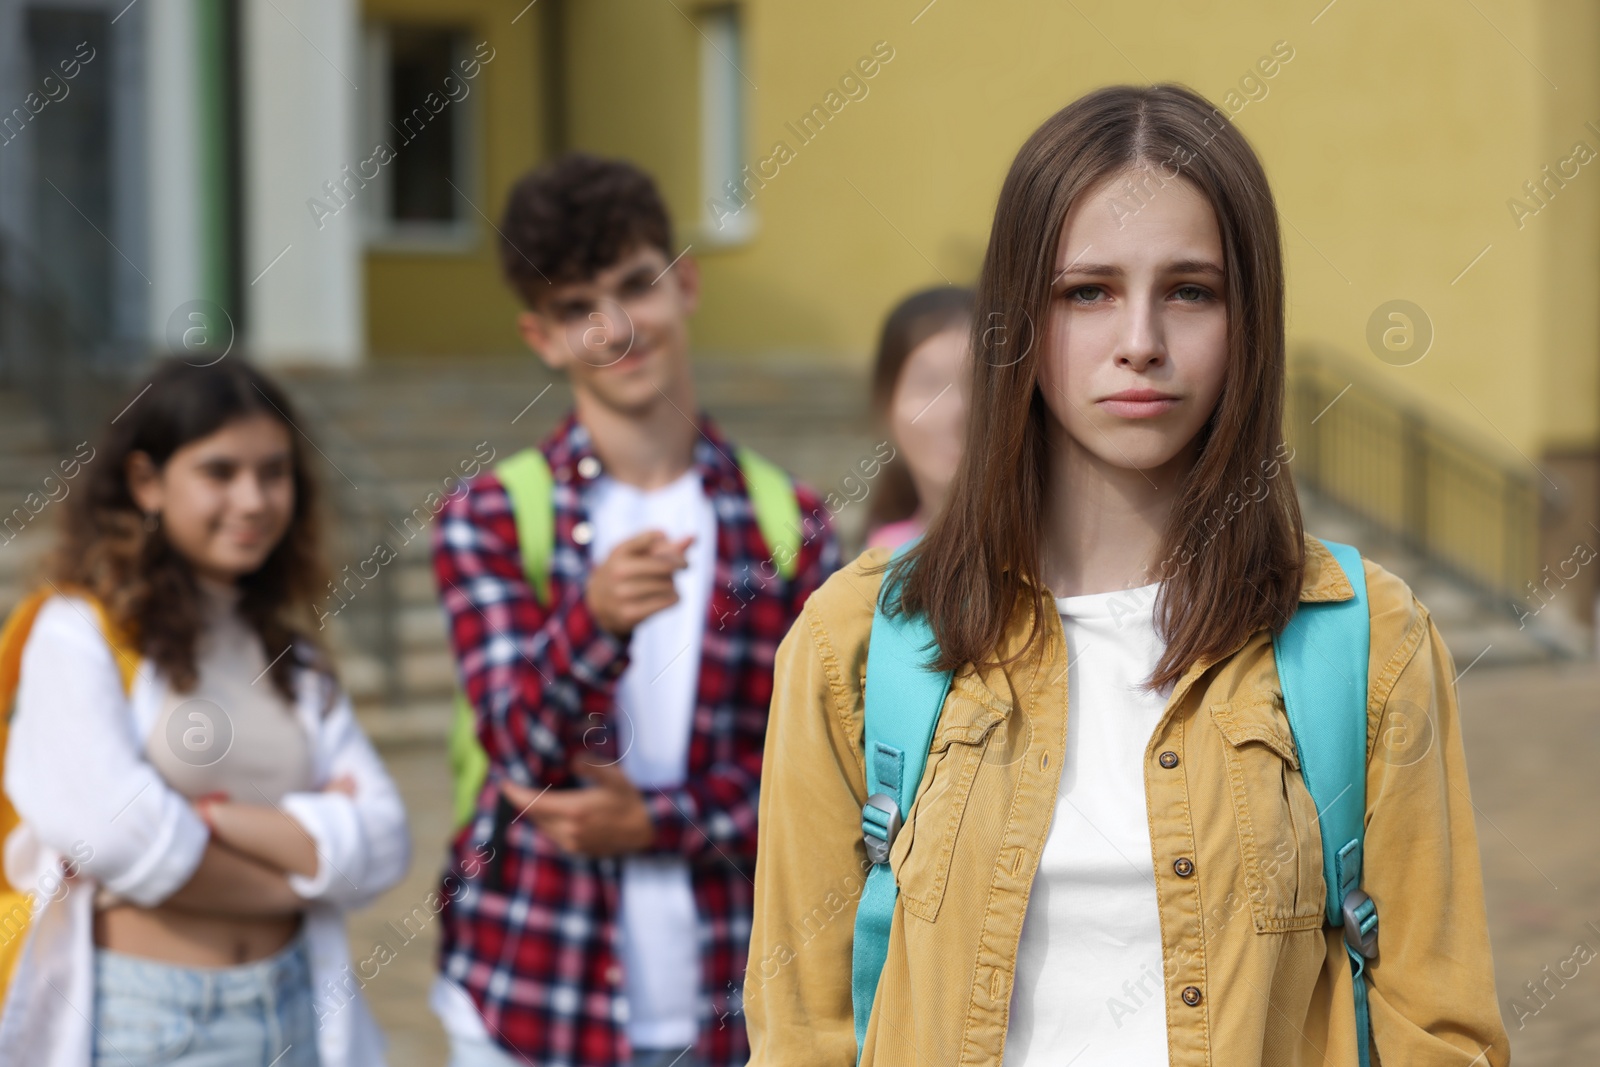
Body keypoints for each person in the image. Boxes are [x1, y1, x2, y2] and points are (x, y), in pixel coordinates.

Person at [746, 85, 1510, 1066]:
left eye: (1189, 289)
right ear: (1019, 316)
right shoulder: (857, 640)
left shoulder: (1367, 637)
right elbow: (802, 1035)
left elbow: (1438, 1029)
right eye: (1087, 291)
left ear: (1249, 319)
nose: (1139, 339)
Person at [430, 152, 839, 1067]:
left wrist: (661, 819)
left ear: (684, 281)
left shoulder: (793, 524)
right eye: (580, 306)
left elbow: (816, 783)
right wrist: (596, 621)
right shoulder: (490, 516)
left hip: (733, 1009)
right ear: (541, 335)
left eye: (634, 285)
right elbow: (516, 748)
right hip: (534, 1000)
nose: (615, 325)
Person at [0, 358, 411, 1067]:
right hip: (149, 1018)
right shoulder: (77, 632)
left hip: (298, 1007)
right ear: (146, 482)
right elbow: (120, 834)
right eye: (220, 472)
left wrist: (213, 818)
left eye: (274, 472)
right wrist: (303, 867)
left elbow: (386, 838)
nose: (253, 499)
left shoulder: (292, 653)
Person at [863, 286, 974, 552]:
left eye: (979, 382)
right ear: (886, 405)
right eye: (929, 383)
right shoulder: (875, 567)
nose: (959, 409)